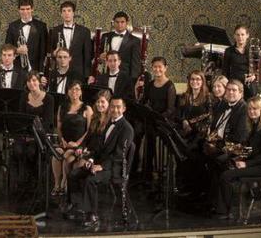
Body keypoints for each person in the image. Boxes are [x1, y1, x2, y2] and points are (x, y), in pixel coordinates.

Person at [67, 97, 133, 230]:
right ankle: (77, 206)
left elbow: (119, 156)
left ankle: (93, 216)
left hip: (114, 168)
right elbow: (99, 148)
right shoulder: (109, 123)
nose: (115, 109)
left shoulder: (127, 128)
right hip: (101, 163)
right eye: (113, 106)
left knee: (90, 180)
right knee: (73, 174)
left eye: (118, 107)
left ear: (124, 109)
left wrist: (101, 166)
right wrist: (91, 160)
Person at [211, 96, 261, 218]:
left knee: (226, 175)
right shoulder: (254, 126)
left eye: (255, 109)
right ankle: (218, 205)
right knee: (221, 165)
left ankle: (224, 211)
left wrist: (246, 164)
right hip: (253, 162)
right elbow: (250, 149)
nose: (251, 111)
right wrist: (237, 155)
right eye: (250, 109)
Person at [11, 71, 54, 185]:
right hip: (25, 133)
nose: (31, 83)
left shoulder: (49, 98)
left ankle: (34, 181)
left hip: (40, 135)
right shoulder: (24, 96)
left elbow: (48, 122)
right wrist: (26, 136)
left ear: (39, 82)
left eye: (34, 80)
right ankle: (22, 180)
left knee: (31, 152)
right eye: (29, 81)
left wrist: (34, 137)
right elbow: (21, 118)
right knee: (18, 150)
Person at [136, 56, 176, 175]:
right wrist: (136, 89)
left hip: (163, 120)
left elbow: (170, 110)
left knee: (151, 133)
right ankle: (137, 166)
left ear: (165, 68)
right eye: (155, 67)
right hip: (151, 118)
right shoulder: (150, 84)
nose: (157, 69)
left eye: (160, 67)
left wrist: (157, 118)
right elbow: (143, 102)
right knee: (137, 131)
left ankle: (149, 169)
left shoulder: (170, 86)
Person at [54, 82, 92, 196]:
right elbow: (59, 127)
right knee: (55, 154)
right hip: (65, 143)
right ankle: (57, 184)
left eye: (77, 89)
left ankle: (65, 182)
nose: (74, 91)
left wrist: (78, 143)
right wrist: (63, 141)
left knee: (67, 157)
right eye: (71, 89)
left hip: (79, 145)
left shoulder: (87, 108)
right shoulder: (62, 107)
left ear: (80, 92)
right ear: (68, 92)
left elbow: (89, 130)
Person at [48, 2, 93, 82]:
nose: (66, 13)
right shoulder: (54, 31)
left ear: (73, 13)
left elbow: (87, 55)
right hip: (60, 69)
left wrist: (88, 74)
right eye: (64, 11)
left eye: (69, 11)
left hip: (78, 71)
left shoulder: (84, 31)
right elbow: (49, 51)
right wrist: (53, 53)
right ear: (61, 14)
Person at [4, 0, 49, 72]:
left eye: (28, 9)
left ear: (32, 9)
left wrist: (42, 71)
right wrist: (17, 50)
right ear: (18, 10)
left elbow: (44, 50)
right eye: (22, 9)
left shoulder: (41, 26)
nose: (25, 12)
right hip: (17, 68)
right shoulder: (12, 26)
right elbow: (7, 47)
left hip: (35, 68)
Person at [97, 11, 142, 81]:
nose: (119, 24)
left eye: (122, 22)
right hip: (106, 74)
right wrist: (100, 57)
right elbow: (98, 56)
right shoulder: (105, 36)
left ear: (127, 23)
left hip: (125, 77)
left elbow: (135, 64)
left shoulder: (134, 40)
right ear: (113, 23)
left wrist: (133, 81)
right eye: (117, 22)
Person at [221, 25, 255, 97]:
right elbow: (225, 69)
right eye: (238, 35)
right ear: (234, 36)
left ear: (247, 35)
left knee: (252, 95)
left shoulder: (252, 50)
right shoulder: (229, 51)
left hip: (249, 81)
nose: (240, 37)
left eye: (242, 34)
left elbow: (260, 67)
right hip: (234, 83)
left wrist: (254, 76)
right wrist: (226, 82)